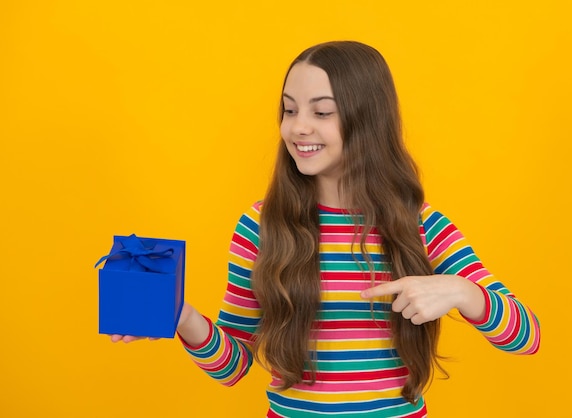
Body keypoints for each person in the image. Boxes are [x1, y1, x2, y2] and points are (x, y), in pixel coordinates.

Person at [112, 41, 541, 417]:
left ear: (367, 119)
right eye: (289, 109)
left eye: (321, 112)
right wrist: (181, 316)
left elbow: (526, 336)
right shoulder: (261, 226)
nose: (298, 127)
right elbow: (234, 365)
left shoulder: (421, 224)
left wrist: (462, 292)